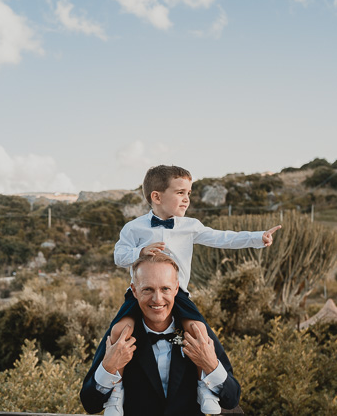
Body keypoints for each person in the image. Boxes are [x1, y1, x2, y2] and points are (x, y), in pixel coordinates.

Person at [106, 165, 279, 414]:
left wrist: (256, 238)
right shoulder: (133, 228)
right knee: (119, 331)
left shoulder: (190, 225)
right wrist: (139, 252)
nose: (187, 198)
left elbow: (222, 238)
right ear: (156, 196)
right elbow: (119, 256)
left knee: (198, 331)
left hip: (179, 294)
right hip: (141, 294)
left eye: (189, 192)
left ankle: (205, 387)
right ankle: (114, 394)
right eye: (180, 192)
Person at [80, 253, 241, 415]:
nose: (157, 299)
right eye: (148, 289)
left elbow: (231, 398)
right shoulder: (120, 336)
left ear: (176, 289)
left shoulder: (196, 331)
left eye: (165, 289)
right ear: (134, 291)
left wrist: (210, 364)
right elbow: (90, 404)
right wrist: (109, 367)